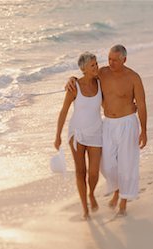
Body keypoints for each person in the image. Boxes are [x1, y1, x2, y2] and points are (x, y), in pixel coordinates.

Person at [66, 44, 147, 217]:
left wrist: (144, 131)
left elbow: (141, 105)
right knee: (107, 164)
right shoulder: (103, 73)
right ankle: (117, 189)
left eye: (115, 60)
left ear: (124, 59)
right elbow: (86, 77)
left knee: (127, 164)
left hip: (128, 124)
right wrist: (71, 78)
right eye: (109, 58)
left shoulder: (134, 78)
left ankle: (123, 200)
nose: (110, 62)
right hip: (108, 124)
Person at [54, 52, 103, 220]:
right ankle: (85, 208)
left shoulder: (100, 82)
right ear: (83, 69)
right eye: (92, 65)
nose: (96, 67)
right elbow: (64, 111)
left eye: (96, 64)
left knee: (94, 173)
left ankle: (92, 194)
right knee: (80, 171)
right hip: (76, 133)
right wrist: (58, 135)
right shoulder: (74, 87)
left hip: (96, 131)